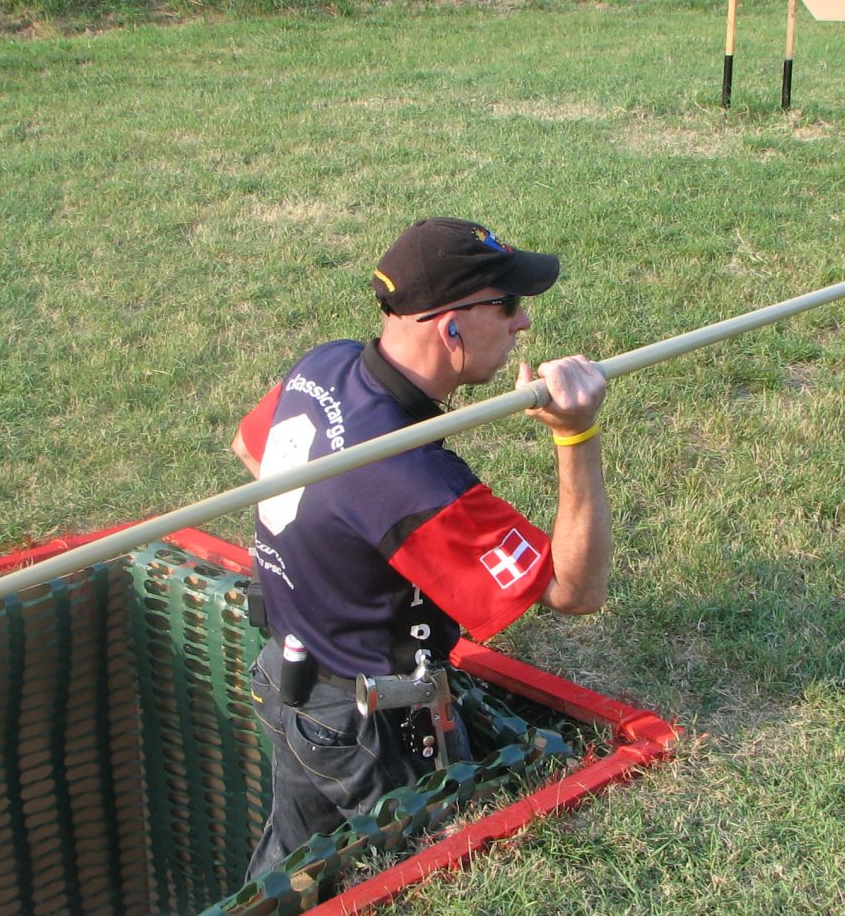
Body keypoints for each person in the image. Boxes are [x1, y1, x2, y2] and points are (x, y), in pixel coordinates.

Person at [230, 216, 612, 879]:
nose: (523, 323)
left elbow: (249, 445)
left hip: (285, 677)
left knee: (285, 876)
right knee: (437, 876)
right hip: (371, 724)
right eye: (509, 305)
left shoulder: (325, 362)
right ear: (450, 327)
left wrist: (340, 544)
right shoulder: (409, 479)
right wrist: (575, 434)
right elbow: (576, 592)